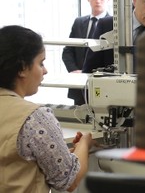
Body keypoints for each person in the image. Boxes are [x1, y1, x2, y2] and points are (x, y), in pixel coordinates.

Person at [0, 25, 95, 192]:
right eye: (41, 63)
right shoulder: (35, 119)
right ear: (22, 68)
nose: (45, 71)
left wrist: (62, 155)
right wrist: (85, 143)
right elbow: (68, 181)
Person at [62, 0, 111, 105]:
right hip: (79, 84)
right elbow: (68, 50)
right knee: (78, 118)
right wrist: (74, 70)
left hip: (102, 84)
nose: (98, 1)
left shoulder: (113, 24)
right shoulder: (79, 22)